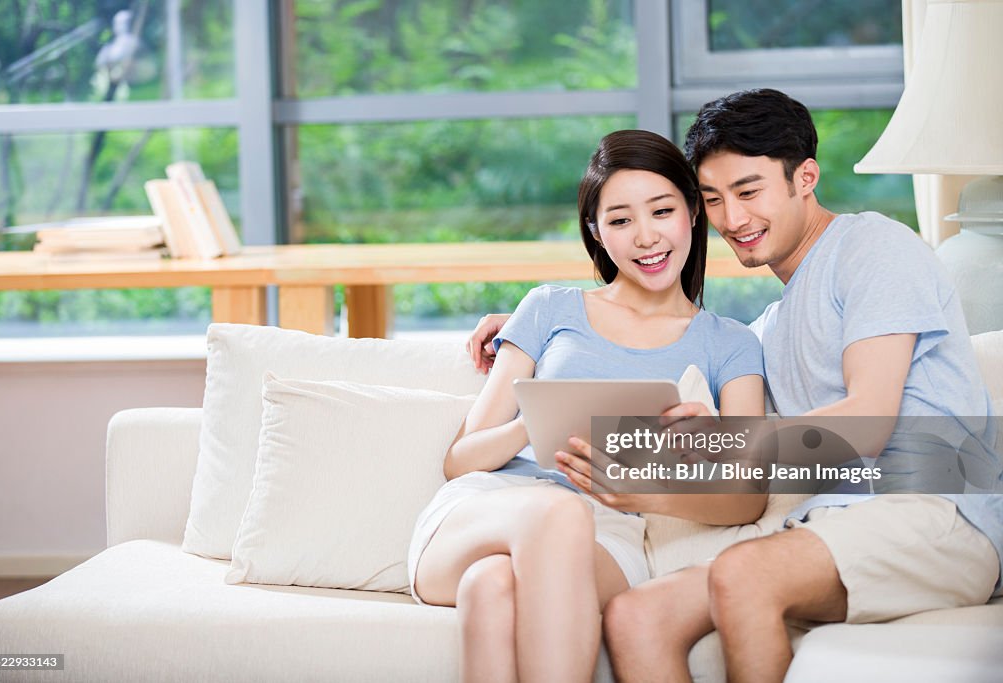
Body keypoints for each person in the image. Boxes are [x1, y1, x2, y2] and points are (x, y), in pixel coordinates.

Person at [467, 89, 1002, 683]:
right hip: (828, 527)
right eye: (715, 199)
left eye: (749, 192)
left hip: (937, 510)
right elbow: (670, 339)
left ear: (805, 176)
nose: (734, 219)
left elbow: (868, 423)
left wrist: (726, 445)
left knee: (742, 573)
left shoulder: (871, 246)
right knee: (639, 615)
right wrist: (520, 325)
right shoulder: (766, 330)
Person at [408, 129, 767, 683]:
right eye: (621, 220)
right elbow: (460, 461)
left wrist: (675, 469)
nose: (646, 237)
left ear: (693, 212)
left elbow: (749, 498)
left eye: (662, 210)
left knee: (492, 586)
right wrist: (537, 422)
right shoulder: (549, 308)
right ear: (597, 234)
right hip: (489, 509)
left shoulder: (732, 343)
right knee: (556, 511)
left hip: (611, 532)